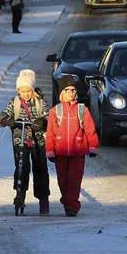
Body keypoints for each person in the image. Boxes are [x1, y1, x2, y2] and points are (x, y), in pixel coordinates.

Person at [0, 69, 50, 215]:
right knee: (21, 166)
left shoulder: (40, 102)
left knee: (40, 167)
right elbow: (3, 115)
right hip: (19, 138)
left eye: (28, 91)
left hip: (38, 139)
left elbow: (49, 116)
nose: (25, 94)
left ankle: (43, 198)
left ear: (33, 90)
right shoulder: (14, 103)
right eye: (22, 91)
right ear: (18, 91)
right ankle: (20, 194)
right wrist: (6, 120)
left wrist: (42, 122)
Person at [45, 75, 99, 217]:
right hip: (60, 153)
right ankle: (67, 201)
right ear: (62, 93)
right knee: (63, 181)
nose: (71, 92)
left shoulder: (83, 110)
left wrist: (92, 146)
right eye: (67, 90)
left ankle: (72, 207)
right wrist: (50, 150)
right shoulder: (55, 111)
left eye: (73, 90)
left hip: (77, 153)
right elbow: (50, 132)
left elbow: (90, 129)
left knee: (74, 181)